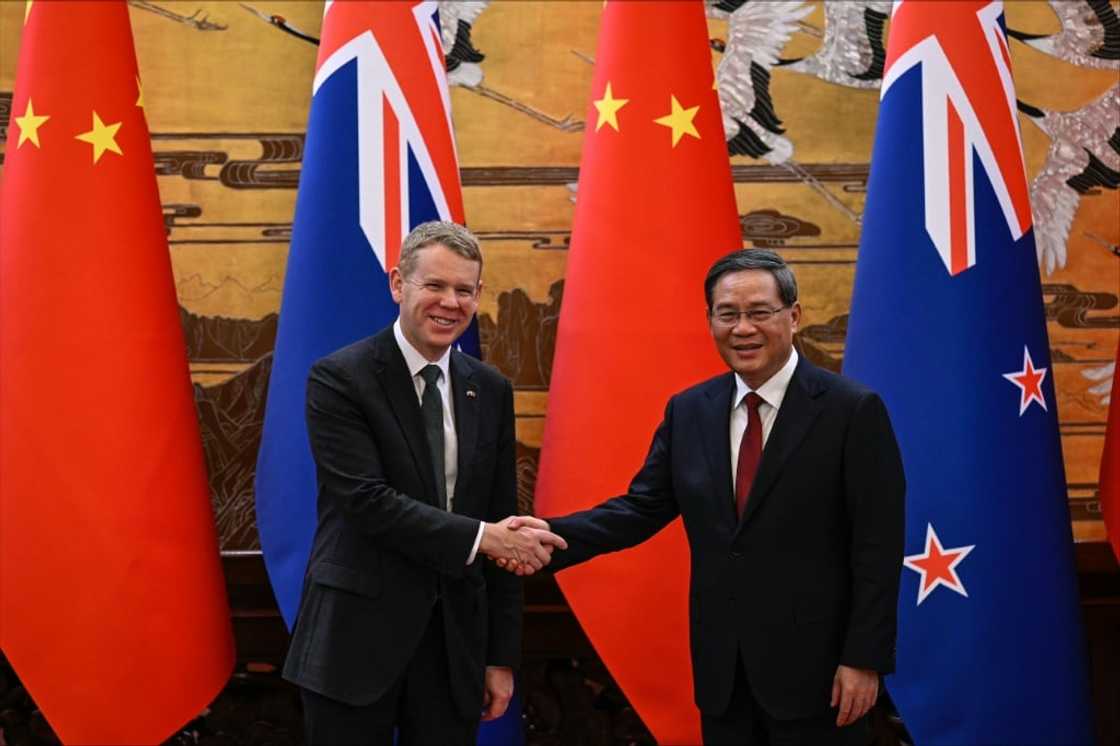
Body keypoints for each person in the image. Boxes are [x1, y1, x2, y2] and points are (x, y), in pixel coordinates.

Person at [506, 249, 905, 745]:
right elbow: (640, 508)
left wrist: (864, 659)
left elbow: (877, 547)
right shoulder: (691, 410)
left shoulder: (851, 412)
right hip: (724, 676)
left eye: (759, 312)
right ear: (710, 320)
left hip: (821, 678)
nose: (743, 328)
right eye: (727, 314)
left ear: (794, 316)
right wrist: (548, 536)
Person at [283, 221, 566, 746]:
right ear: (398, 284)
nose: (450, 303)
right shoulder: (340, 378)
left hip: (452, 650)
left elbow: (503, 518)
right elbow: (367, 502)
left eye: (464, 290)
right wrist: (484, 538)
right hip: (354, 642)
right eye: (434, 285)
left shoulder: (490, 389)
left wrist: (499, 656)